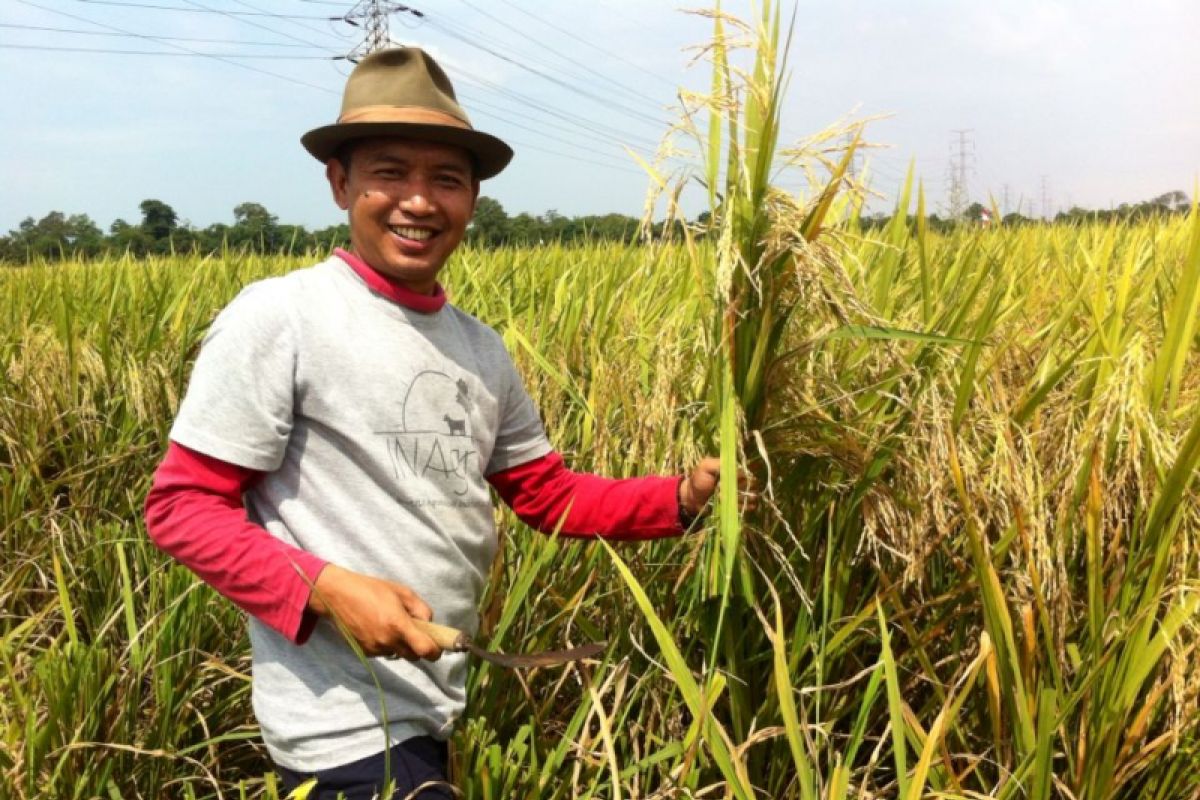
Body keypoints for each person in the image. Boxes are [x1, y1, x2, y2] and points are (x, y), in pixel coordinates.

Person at [145, 47, 725, 799]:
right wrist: (324, 587)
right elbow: (181, 509)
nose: (418, 201)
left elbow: (548, 496)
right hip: (338, 727)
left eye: (446, 179)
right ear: (340, 182)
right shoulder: (281, 318)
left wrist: (682, 496)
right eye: (390, 172)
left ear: (472, 199)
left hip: (435, 705)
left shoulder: (480, 350)